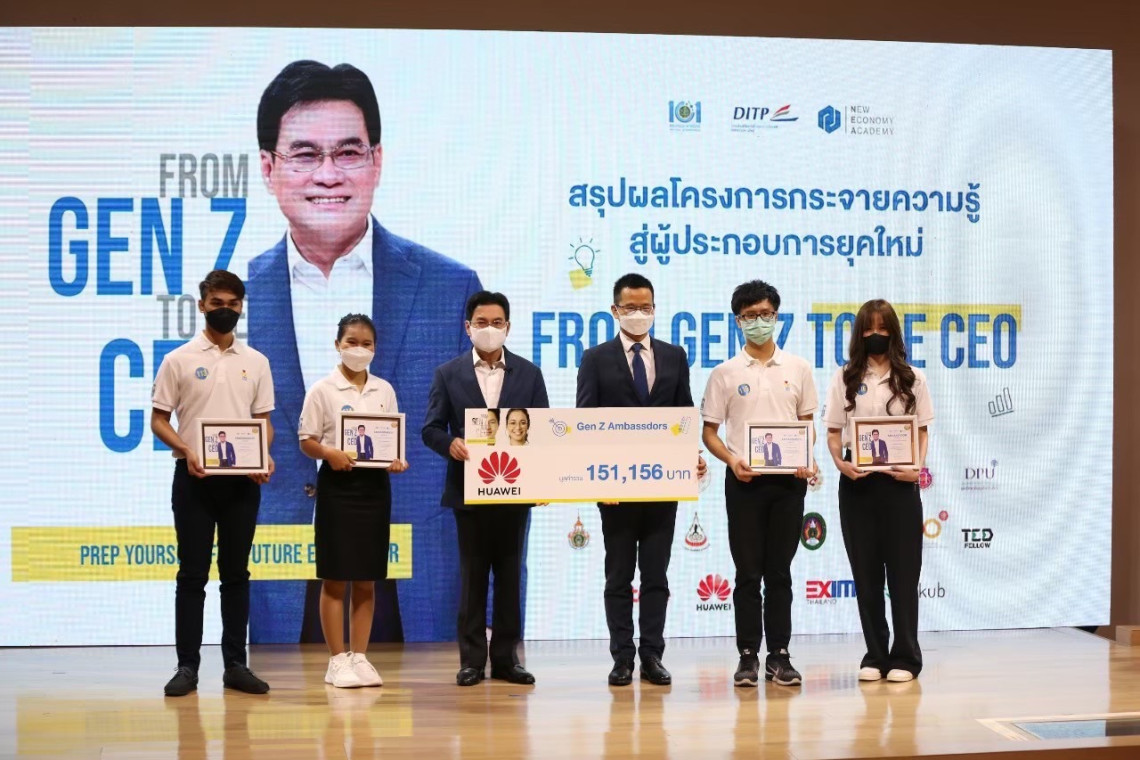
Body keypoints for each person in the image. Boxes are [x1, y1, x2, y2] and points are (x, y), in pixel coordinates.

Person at [246, 60, 483, 644]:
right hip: (282, 574)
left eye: (348, 152)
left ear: (377, 161)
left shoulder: (451, 287)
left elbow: (483, 443)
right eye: (305, 154)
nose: (328, 174)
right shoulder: (241, 295)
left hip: (418, 575)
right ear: (269, 168)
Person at [576, 273, 706, 687]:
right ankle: (622, 658)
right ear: (615, 310)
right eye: (630, 307)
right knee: (618, 577)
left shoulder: (674, 356)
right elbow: (584, 424)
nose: (638, 314)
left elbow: (684, 416)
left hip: (662, 488)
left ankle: (652, 655)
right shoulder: (595, 359)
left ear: (654, 309)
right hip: (614, 491)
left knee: (655, 576)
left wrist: (692, 458)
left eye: (645, 307)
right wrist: (599, 481)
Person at [150, 269, 276, 697]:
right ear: (202, 305)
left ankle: (236, 666)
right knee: (192, 575)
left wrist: (264, 455)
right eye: (217, 303)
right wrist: (186, 450)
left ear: (242, 307)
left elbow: (264, 422)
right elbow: (158, 420)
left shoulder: (256, 362)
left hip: (242, 484)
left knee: (236, 575)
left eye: (233, 304)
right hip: (194, 481)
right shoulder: (178, 359)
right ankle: (187, 667)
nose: (225, 310)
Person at [423, 291, 549, 686]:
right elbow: (430, 428)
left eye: (496, 323)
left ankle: (508, 660)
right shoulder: (448, 373)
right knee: (473, 578)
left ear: (508, 327)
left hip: (515, 492)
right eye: (481, 322)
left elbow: (543, 431)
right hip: (469, 491)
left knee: (510, 577)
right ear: (468, 327)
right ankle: (472, 661)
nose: (489, 329)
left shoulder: (529, 373)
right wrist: (450, 444)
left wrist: (544, 480)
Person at [700, 280, 817, 688]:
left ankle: (779, 656)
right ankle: (748, 656)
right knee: (748, 574)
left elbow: (807, 425)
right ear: (738, 321)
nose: (758, 322)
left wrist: (805, 459)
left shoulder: (799, 368)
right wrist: (732, 460)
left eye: (765, 314)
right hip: (744, 483)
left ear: (777, 317)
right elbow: (709, 432)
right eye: (749, 316)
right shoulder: (724, 373)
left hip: (788, 486)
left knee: (779, 572)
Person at [824, 299, 934, 684]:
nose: (876, 335)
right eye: (869, 328)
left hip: (900, 486)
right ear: (859, 333)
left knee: (903, 575)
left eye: (883, 327)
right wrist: (840, 463)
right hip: (858, 485)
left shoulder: (913, 378)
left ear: (894, 332)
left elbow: (922, 431)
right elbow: (833, 432)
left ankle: (906, 656)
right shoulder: (844, 377)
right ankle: (875, 653)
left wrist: (917, 467)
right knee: (866, 575)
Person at [298, 313, 409, 688]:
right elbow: (306, 440)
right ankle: (336, 661)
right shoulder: (322, 390)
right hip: (337, 487)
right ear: (337, 345)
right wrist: (329, 453)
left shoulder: (384, 390)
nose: (359, 349)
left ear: (375, 348)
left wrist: (396, 460)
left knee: (367, 577)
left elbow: (391, 440)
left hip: (375, 489)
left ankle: (360, 657)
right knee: (335, 576)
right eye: (352, 342)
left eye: (366, 344)